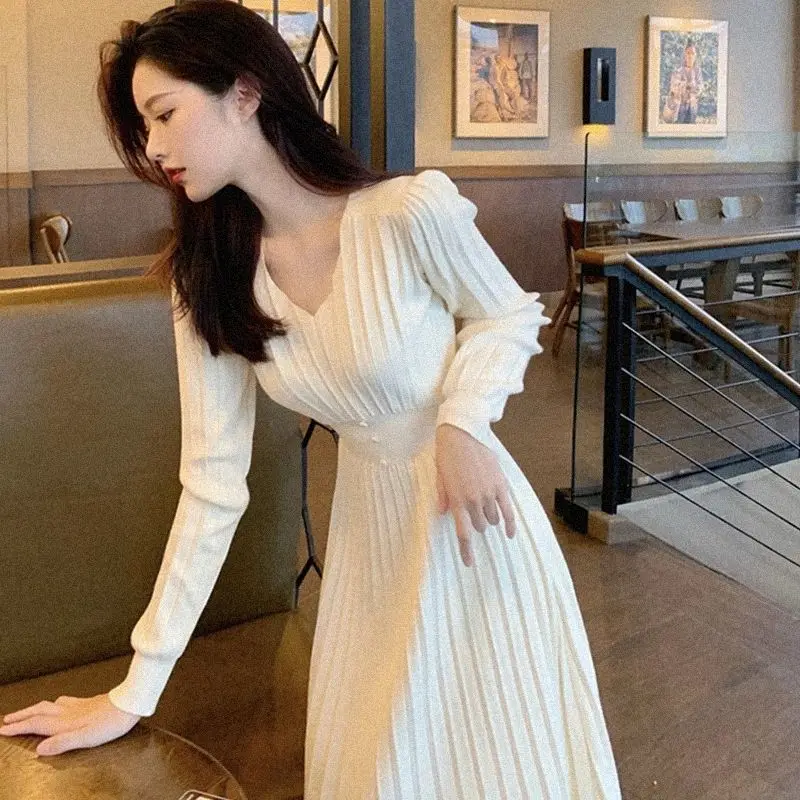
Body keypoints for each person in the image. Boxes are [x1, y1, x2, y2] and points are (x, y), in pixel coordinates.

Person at [0, 2, 622, 797]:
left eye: (164, 114)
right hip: (368, 543)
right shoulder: (209, 278)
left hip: (471, 525)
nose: (152, 148)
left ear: (245, 93)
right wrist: (136, 689)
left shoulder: (406, 212)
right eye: (144, 126)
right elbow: (212, 487)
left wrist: (463, 425)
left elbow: (506, 312)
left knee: (501, 756)